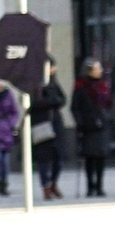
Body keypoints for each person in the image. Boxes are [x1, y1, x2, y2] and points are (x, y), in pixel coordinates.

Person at [70, 58, 115, 197]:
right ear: (89, 71)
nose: (100, 71)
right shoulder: (81, 86)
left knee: (101, 157)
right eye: (97, 68)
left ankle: (100, 186)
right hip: (88, 126)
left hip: (102, 125)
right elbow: (75, 107)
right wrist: (80, 122)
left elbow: (109, 103)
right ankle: (90, 186)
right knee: (90, 157)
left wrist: (107, 116)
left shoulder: (103, 85)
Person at [31, 61, 69, 199]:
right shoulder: (35, 84)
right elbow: (34, 103)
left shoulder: (54, 83)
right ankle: (45, 185)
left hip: (55, 122)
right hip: (41, 123)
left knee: (59, 157)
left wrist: (53, 100)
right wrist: (51, 101)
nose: (53, 69)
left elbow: (62, 99)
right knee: (44, 158)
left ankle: (53, 182)